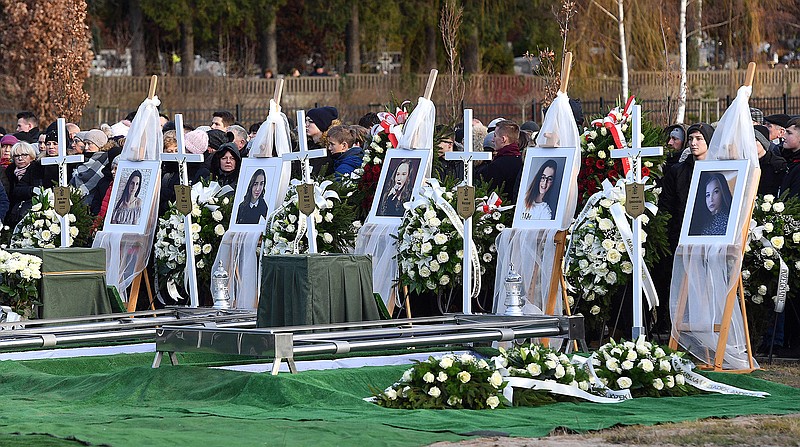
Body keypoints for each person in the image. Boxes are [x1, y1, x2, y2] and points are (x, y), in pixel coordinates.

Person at [476, 120, 523, 202]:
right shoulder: (522, 161)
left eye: (495, 136)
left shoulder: (497, 166)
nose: (493, 140)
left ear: (503, 139)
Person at [4, 141, 44, 228]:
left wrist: (30, 190)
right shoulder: (8, 172)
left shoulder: (36, 169)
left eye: (24, 155)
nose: (20, 158)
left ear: (31, 156)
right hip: (12, 213)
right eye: (17, 156)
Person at [688, 172, 731, 236]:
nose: (711, 199)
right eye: (708, 195)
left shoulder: (728, 220)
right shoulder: (705, 221)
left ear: (723, 191)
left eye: (716, 192)